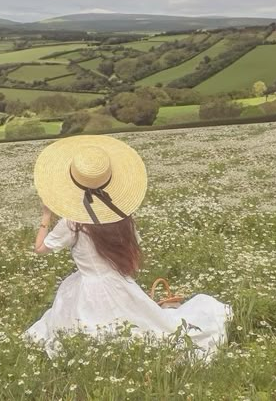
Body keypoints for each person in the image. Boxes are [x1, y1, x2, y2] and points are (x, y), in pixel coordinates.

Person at [24, 134, 232, 358]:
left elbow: (40, 249)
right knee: (149, 328)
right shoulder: (122, 216)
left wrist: (46, 215)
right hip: (121, 284)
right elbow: (133, 248)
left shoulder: (74, 222)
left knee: (87, 333)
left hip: (86, 292)